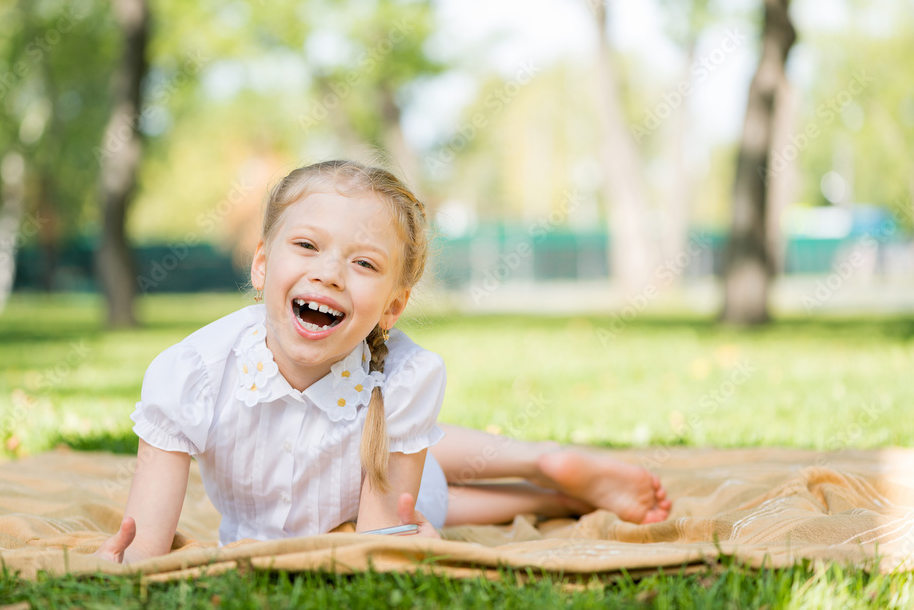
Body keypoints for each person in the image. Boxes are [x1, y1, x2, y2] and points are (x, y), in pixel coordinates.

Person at [95, 160, 670, 564]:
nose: (329, 272)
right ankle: (556, 489)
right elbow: (140, 543)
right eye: (307, 246)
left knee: (435, 496)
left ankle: (546, 464)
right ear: (262, 266)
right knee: (438, 477)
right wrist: (125, 560)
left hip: (372, 490)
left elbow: (374, 543)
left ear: (394, 306)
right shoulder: (191, 372)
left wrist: (406, 544)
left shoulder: (407, 379)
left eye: (364, 263)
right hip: (372, 465)